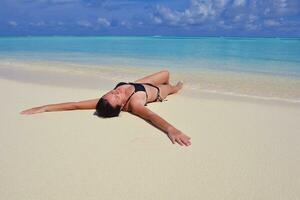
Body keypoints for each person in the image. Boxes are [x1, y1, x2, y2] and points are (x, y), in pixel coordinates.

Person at [20, 70, 191, 146]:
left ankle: (168, 82)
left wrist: (43, 108)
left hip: (139, 83)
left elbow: (75, 104)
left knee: (166, 73)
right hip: (155, 92)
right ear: (122, 106)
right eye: (117, 96)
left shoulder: (107, 100)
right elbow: (151, 117)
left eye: (111, 92)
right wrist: (172, 130)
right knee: (172, 87)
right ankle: (174, 87)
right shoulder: (135, 104)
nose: (116, 91)